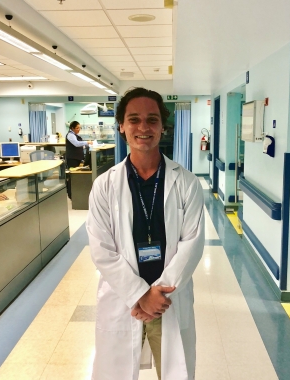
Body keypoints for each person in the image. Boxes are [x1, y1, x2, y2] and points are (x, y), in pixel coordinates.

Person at [86, 87, 205, 380]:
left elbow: (192, 244)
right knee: (115, 373)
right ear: (122, 126)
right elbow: (102, 250)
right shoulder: (105, 185)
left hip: (168, 300)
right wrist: (140, 294)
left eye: (152, 120)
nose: (143, 127)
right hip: (125, 300)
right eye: (134, 119)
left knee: (176, 372)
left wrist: (156, 295)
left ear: (162, 127)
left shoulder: (186, 183)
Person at [65, 121, 92, 198]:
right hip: (72, 159)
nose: (78, 129)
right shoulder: (70, 135)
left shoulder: (75, 135)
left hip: (77, 158)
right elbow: (76, 144)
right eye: (77, 128)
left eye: (79, 128)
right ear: (72, 128)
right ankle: (71, 194)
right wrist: (87, 142)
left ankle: (75, 194)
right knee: (72, 177)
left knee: (75, 177)